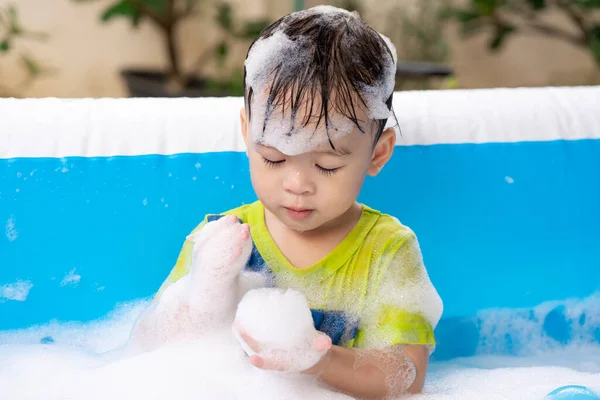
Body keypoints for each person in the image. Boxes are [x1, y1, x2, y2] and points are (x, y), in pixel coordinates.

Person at [157, 5, 443, 399]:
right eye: (273, 157)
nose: (297, 184)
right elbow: (161, 353)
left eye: (326, 165)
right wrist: (206, 292)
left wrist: (318, 362)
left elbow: (406, 376)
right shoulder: (220, 241)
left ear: (377, 153)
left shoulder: (387, 252)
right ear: (247, 131)